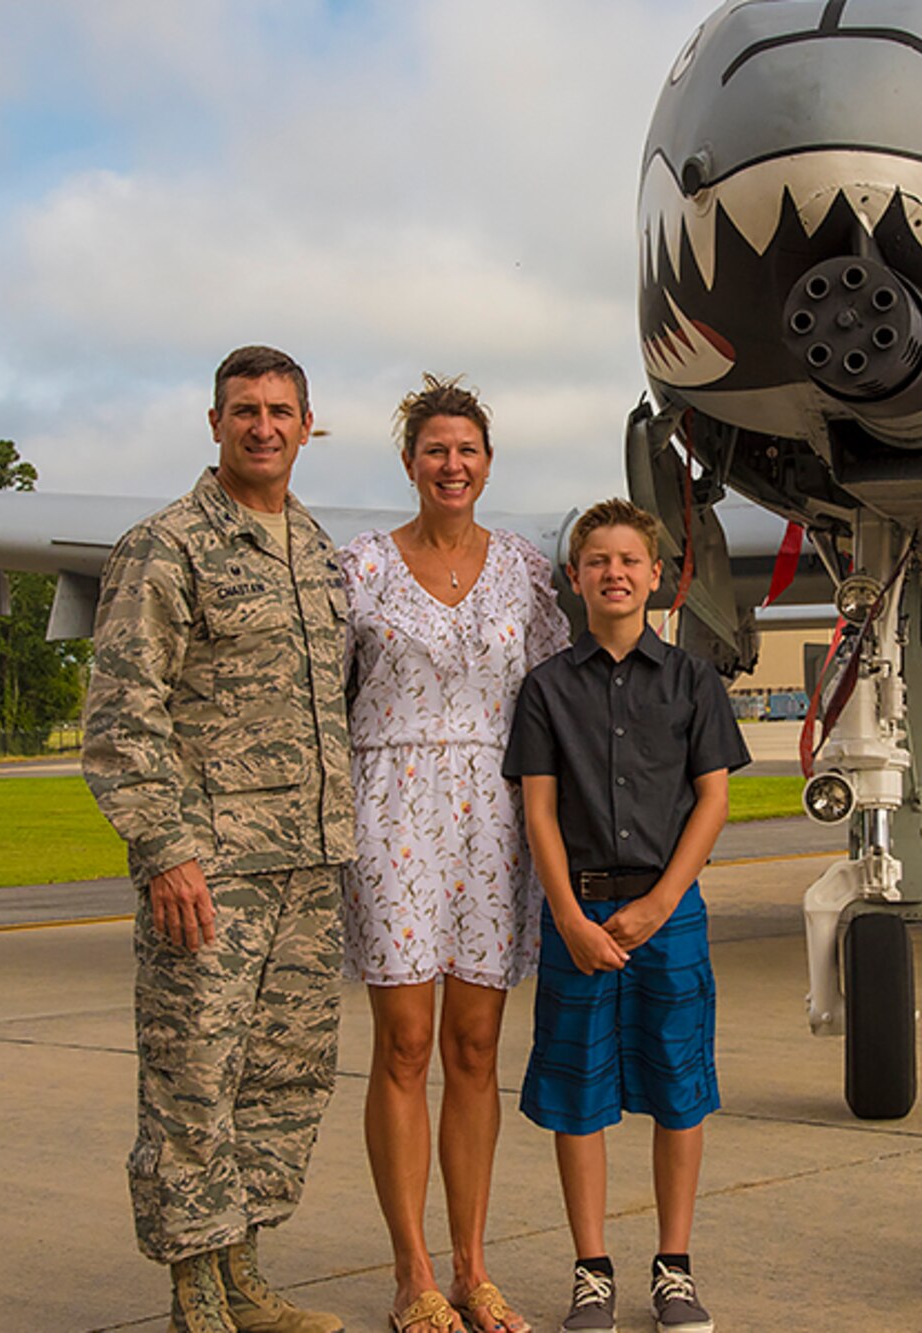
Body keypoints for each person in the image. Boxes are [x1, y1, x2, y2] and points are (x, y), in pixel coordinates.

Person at [83, 345, 353, 1333]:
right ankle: (193, 1290)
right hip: (212, 871)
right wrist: (166, 850)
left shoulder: (317, 549)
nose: (264, 426)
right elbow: (121, 716)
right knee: (192, 1077)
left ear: (306, 424)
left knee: (282, 1075)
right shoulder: (167, 546)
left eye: (282, 410)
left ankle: (245, 1272)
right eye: (245, 409)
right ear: (214, 423)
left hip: (309, 867)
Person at [339, 377, 569, 1333]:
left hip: (493, 814)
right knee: (405, 1043)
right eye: (434, 449)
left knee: (477, 1046)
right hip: (390, 805)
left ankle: (474, 1268)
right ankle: (413, 1272)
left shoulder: (522, 567)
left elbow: (559, 692)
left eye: (466, 449)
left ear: (486, 461)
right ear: (410, 463)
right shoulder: (359, 566)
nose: (451, 464)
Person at [501, 499, 751, 1333]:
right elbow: (538, 810)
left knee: (679, 1087)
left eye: (629, 560)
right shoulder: (544, 688)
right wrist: (568, 915)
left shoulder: (693, 681)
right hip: (579, 909)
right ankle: (592, 1269)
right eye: (597, 561)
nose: (614, 572)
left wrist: (662, 901)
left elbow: (712, 798)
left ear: (657, 576)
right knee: (579, 1091)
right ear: (575, 579)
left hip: (666, 909)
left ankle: (674, 1268)